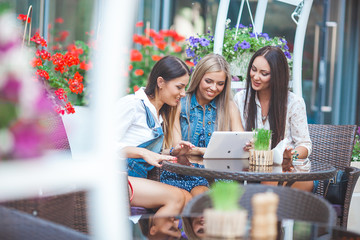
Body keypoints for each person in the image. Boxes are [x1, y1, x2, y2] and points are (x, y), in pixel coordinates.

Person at [116, 56, 194, 216]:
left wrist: (173, 153)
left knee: (188, 198)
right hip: (116, 178)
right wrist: (142, 152)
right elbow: (101, 145)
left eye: (184, 88)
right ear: (160, 82)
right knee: (177, 198)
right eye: (179, 87)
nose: (183, 93)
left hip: (136, 178)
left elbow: (147, 150)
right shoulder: (132, 105)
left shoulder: (159, 114)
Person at [160, 53, 244, 197]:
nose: (214, 88)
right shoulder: (180, 103)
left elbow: (240, 148)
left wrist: (198, 150)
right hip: (183, 173)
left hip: (220, 176)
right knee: (202, 195)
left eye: (220, 84)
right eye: (209, 81)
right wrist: (212, 151)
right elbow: (177, 148)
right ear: (198, 78)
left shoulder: (229, 107)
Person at [233, 46, 313, 192]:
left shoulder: (294, 102)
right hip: (253, 173)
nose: (256, 77)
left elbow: (305, 145)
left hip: (290, 173)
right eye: (254, 69)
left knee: (268, 182)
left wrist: (290, 155)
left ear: (277, 76)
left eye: (264, 73)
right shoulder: (241, 99)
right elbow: (235, 139)